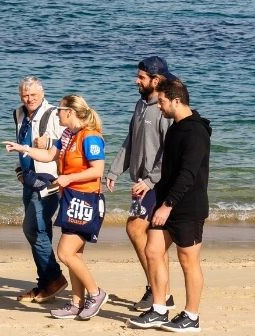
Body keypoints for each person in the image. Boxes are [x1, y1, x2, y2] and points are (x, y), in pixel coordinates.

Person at [7, 94, 107, 321]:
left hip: (87, 199)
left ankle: (96, 293)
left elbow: (97, 171)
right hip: (70, 199)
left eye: (60, 110)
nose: (56, 113)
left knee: (65, 252)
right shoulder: (67, 134)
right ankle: (76, 303)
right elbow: (49, 155)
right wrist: (22, 149)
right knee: (75, 255)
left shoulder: (90, 137)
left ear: (70, 112)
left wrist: (69, 179)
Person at [128, 77, 211, 332]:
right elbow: (167, 169)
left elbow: (188, 174)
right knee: (153, 251)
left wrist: (168, 205)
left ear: (177, 100)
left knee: (188, 261)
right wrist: (153, 191)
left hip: (188, 207)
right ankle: (160, 309)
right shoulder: (175, 126)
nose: (159, 106)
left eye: (162, 101)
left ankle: (192, 316)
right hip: (165, 202)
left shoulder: (196, 131)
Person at [105, 56, 175, 312]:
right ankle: (161, 291)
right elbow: (130, 140)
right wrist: (114, 171)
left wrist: (149, 180)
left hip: (155, 184)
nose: (136, 80)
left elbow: (169, 151)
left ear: (156, 80)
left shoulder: (165, 109)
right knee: (147, 236)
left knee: (136, 230)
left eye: (141, 77)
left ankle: (156, 289)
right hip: (141, 182)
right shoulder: (141, 104)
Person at [4, 77, 67, 304]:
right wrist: (19, 172)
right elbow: (22, 146)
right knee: (40, 231)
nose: (28, 99)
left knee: (33, 228)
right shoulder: (18, 113)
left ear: (42, 93)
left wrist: (49, 143)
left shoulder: (54, 114)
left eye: (33, 95)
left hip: (49, 182)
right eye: (24, 95)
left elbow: (66, 147)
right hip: (28, 181)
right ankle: (46, 282)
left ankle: (53, 279)